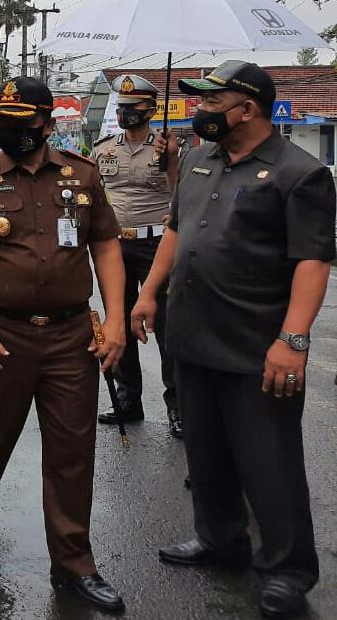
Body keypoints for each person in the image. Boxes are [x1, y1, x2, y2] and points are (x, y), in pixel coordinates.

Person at [133, 61, 334, 620]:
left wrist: (293, 339)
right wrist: (148, 292)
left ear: (247, 109)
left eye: (212, 101)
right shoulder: (199, 160)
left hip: (256, 344)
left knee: (270, 462)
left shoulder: (300, 174)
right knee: (207, 452)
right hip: (193, 333)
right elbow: (175, 229)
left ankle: (287, 570)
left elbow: (313, 261)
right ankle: (219, 539)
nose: (201, 110)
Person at [0, 77, 127, 613]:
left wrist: (116, 320)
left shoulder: (82, 175)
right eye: (3, 122)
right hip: (2, 333)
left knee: (72, 450)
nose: (10, 131)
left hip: (70, 337)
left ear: (44, 122)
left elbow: (106, 246)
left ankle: (74, 561)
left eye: (20, 122)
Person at [92, 74, 181, 437]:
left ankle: (178, 406)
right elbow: (93, 193)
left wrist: (171, 159)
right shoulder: (103, 149)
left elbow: (181, 194)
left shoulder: (168, 148)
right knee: (119, 320)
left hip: (157, 244)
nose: (126, 113)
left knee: (167, 327)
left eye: (133, 107)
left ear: (151, 110)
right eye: (122, 107)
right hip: (115, 245)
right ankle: (128, 399)